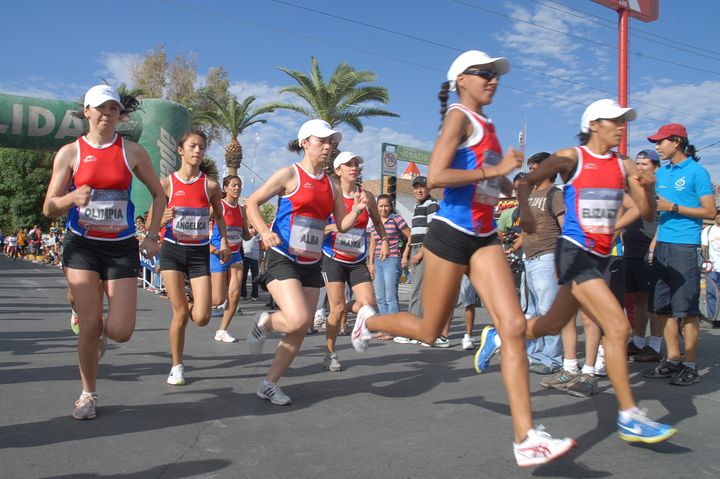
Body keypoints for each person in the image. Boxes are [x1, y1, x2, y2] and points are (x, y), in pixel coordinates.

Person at [351, 50, 575, 467]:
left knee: (512, 327)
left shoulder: (488, 126)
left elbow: (493, 181)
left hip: (485, 236)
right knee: (429, 330)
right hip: (451, 234)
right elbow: (437, 176)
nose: (493, 79)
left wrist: (514, 184)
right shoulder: (458, 117)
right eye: (484, 72)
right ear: (461, 80)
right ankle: (370, 321)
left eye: (496, 73)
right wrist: (495, 171)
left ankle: (526, 437)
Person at [476, 98, 677, 445]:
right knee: (618, 326)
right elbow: (524, 182)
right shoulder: (573, 157)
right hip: (574, 253)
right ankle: (629, 416)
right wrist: (525, 216)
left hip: (600, 256)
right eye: (614, 121)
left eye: (623, 121)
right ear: (594, 124)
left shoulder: (624, 163)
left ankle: (500, 335)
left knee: (552, 323)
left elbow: (645, 213)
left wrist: (646, 186)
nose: (621, 127)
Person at [42, 84, 165, 420]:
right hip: (82, 243)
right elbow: (49, 207)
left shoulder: (132, 151)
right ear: (87, 112)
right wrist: (71, 198)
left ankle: (88, 319)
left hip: (121, 246)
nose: (107, 115)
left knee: (121, 330)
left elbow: (159, 195)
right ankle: (87, 394)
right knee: (91, 324)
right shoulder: (70, 153)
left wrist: (152, 235)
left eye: (113, 109)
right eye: (101, 108)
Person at [244, 119, 368, 405]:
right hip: (283, 255)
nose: (327, 147)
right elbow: (252, 203)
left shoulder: (332, 186)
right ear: (304, 142)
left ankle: (269, 384)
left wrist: (357, 210)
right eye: (321, 141)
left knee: (302, 326)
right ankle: (265, 322)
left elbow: (342, 225)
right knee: (297, 318)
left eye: (331, 142)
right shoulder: (290, 174)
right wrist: (264, 231)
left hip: (311, 261)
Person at [643, 123, 715, 386]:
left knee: (686, 310)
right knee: (663, 309)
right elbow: (654, 210)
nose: (657, 147)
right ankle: (672, 360)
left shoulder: (697, 172)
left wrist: (673, 206)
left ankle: (690, 365)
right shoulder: (661, 173)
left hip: (684, 246)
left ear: (676, 141)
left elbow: (710, 212)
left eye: (660, 141)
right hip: (662, 245)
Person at [157, 130, 230, 385]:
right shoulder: (167, 184)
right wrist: (162, 220)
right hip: (172, 250)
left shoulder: (210, 185)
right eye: (192, 146)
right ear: (181, 150)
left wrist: (223, 240)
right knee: (179, 315)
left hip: (199, 253)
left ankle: (187, 304)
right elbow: (153, 218)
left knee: (202, 317)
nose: (197, 151)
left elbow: (219, 215)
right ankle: (177, 366)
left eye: (201, 147)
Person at [320, 151, 388, 372]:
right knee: (336, 309)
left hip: (356, 259)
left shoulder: (367, 196)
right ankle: (330, 353)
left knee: (368, 305)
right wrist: (336, 227)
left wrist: (384, 241)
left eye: (356, 164)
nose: (354, 167)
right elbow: (319, 226)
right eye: (348, 164)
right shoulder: (331, 196)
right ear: (338, 170)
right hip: (333, 257)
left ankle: (348, 313)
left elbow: (377, 222)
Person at [521, 152, 566, 375]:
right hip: (529, 258)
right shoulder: (531, 194)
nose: (531, 172)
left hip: (547, 256)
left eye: (534, 168)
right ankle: (534, 354)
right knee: (533, 311)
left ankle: (552, 359)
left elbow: (565, 226)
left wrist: (562, 258)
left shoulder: (555, 194)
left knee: (547, 310)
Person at [620, 150, 663, 361]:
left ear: (655, 166)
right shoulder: (632, 188)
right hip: (631, 252)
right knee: (638, 299)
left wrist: (654, 246)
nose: (639, 167)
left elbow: (664, 222)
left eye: (644, 164)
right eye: (637, 163)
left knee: (653, 301)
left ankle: (655, 345)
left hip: (649, 251)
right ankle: (638, 341)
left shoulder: (659, 188)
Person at [209, 175, 251, 343]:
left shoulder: (242, 210)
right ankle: (191, 302)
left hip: (235, 255)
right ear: (225, 188)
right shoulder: (218, 206)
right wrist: (210, 247)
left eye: (239, 185)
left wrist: (257, 231)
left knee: (234, 296)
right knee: (217, 299)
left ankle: (222, 330)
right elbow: (200, 225)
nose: (237, 188)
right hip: (218, 254)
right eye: (233, 185)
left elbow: (245, 235)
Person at [368, 195, 410, 318]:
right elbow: (372, 244)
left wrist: (405, 256)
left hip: (392, 260)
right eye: (380, 206)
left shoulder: (396, 218)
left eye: (386, 206)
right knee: (380, 297)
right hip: (377, 261)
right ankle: (384, 325)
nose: (383, 209)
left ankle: (393, 326)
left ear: (391, 206)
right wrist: (371, 263)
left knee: (390, 297)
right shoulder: (375, 221)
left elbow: (410, 236)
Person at [701, 208, 720, 324]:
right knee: (711, 294)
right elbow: (704, 247)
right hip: (712, 267)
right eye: (717, 214)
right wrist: (704, 261)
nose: (719, 216)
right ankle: (713, 318)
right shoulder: (708, 230)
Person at [240, 226, 261, 301]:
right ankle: (243, 294)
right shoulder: (243, 231)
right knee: (243, 277)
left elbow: (261, 245)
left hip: (254, 257)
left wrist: (261, 257)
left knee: (255, 277)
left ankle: (254, 295)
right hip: (244, 256)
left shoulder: (258, 232)